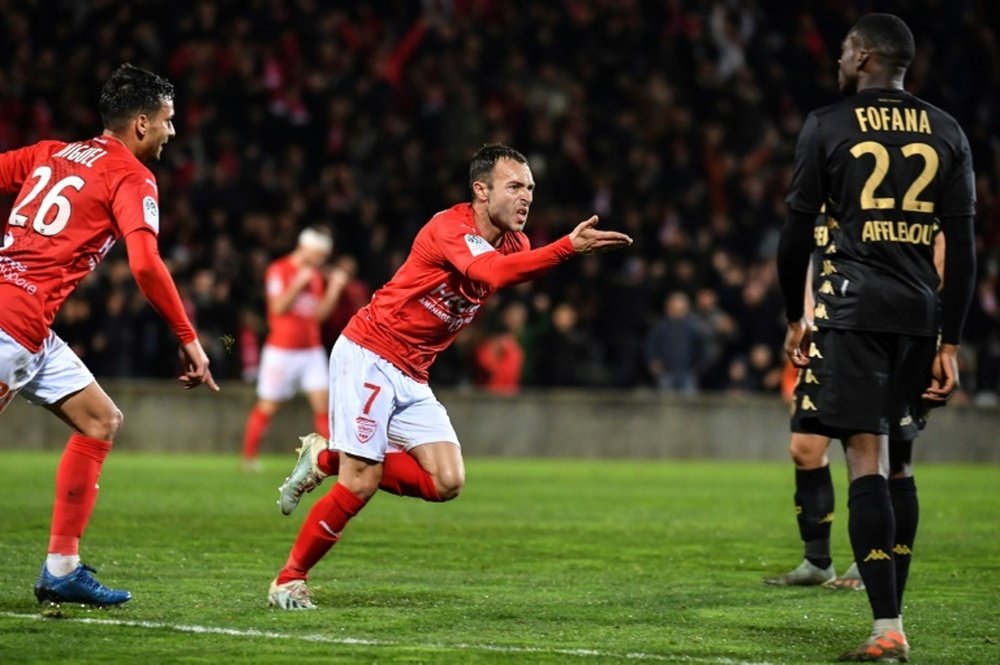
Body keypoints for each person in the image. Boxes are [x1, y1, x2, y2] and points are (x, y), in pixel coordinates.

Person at [267, 143, 632, 609]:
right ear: (481, 190)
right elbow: (494, 274)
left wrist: (557, 253)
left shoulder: (514, 242)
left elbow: (510, 267)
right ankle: (289, 579)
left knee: (447, 481)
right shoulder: (448, 227)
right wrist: (564, 248)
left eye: (531, 189)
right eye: (514, 186)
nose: (526, 198)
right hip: (370, 353)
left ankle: (326, 457)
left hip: (414, 372)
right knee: (362, 481)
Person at [777, 14, 976, 662]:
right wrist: (951, 340)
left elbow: (796, 231)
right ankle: (889, 603)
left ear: (863, 57)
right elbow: (966, 248)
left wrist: (793, 313)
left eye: (843, 53)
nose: (838, 62)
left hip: (855, 311)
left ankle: (887, 624)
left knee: (866, 459)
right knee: (902, 461)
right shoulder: (947, 129)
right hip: (919, 315)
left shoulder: (828, 124)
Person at [0, 63, 219, 607]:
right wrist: (188, 335)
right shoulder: (131, 175)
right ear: (141, 124)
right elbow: (145, 266)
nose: (173, 132)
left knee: (100, 419)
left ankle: (61, 568)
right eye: (168, 121)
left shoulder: (49, 153)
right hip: (10, 329)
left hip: (29, 325)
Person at [240, 226, 348, 471]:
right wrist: (299, 283)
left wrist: (333, 291)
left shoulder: (316, 276)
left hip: (310, 350)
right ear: (306, 248)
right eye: (319, 254)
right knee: (268, 404)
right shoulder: (279, 270)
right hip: (282, 350)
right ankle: (248, 458)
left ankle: (333, 461)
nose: (322, 260)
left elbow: (318, 315)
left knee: (323, 403)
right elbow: (277, 308)